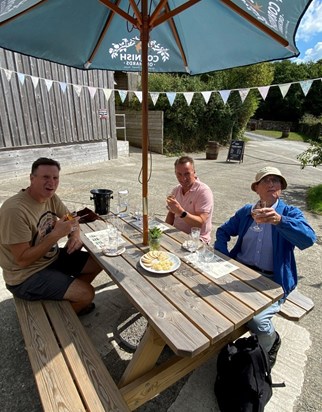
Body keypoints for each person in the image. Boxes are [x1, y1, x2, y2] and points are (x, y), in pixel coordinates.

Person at [215, 166, 316, 367]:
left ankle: (272, 342)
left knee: (258, 322)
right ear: (256, 188)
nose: (271, 184)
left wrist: (280, 221)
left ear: (281, 187)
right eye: (266, 180)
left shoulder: (289, 213)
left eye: (276, 180)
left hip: (272, 281)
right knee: (210, 299)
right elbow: (222, 232)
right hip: (239, 272)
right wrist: (223, 256)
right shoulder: (246, 212)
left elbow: (309, 239)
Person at [0, 157, 102, 316]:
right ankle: (60, 320)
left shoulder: (50, 197)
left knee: (96, 262)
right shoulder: (15, 211)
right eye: (45, 177)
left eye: (55, 178)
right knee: (87, 294)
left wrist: (75, 236)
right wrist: (55, 235)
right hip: (25, 276)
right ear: (32, 179)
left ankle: (65, 299)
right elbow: (22, 260)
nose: (52, 183)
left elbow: (70, 218)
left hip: (49, 259)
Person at [165, 156, 213, 243]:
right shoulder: (176, 190)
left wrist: (180, 212)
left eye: (187, 174)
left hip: (196, 239)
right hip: (176, 234)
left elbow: (200, 223)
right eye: (179, 174)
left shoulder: (203, 191)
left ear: (194, 172)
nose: (183, 178)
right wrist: (164, 231)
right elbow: (171, 214)